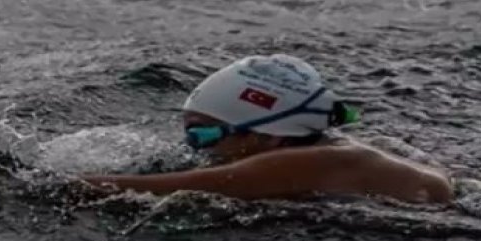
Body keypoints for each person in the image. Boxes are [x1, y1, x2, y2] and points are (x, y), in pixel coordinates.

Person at [79, 54, 454, 205]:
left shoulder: (308, 162)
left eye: (202, 135)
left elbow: (165, 190)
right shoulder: (328, 151)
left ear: (268, 135)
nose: (193, 147)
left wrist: (39, 184)